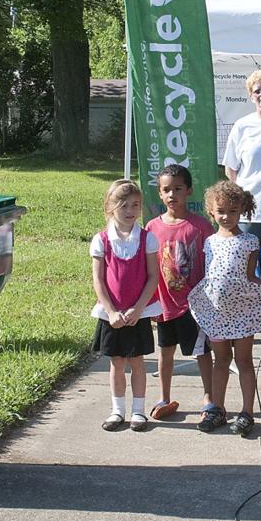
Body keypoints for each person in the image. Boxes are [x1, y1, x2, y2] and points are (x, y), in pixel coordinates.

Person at [188, 181, 261, 435]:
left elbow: (250, 275)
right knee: (220, 360)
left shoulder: (250, 241)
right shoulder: (209, 242)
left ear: (243, 211)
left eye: (233, 211)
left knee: (244, 361)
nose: (227, 216)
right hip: (216, 311)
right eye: (221, 210)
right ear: (211, 211)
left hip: (243, 311)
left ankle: (247, 412)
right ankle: (217, 409)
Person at [144, 164, 216, 421]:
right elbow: (147, 266)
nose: (172, 194)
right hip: (165, 305)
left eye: (177, 189)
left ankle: (209, 397)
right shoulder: (151, 227)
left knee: (201, 352)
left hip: (193, 305)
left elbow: (211, 263)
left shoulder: (200, 226)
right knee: (165, 351)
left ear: (189, 191)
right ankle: (164, 397)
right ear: (159, 194)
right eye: (166, 190)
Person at [90, 180, 162, 432]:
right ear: (110, 207)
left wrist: (139, 308)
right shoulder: (101, 240)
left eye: (136, 205)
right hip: (112, 314)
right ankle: (117, 410)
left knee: (137, 361)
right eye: (123, 205)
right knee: (117, 362)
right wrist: (110, 311)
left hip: (137, 313)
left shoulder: (147, 239)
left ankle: (138, 411)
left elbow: (153, 276)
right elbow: (98, 280)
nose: (130, 210)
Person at [223, 70, 261, 283]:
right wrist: (239, 200)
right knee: (245, 263)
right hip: (250, 210)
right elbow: (231, 169)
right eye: (257, 91)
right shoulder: (242, 126)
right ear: (251, 96)